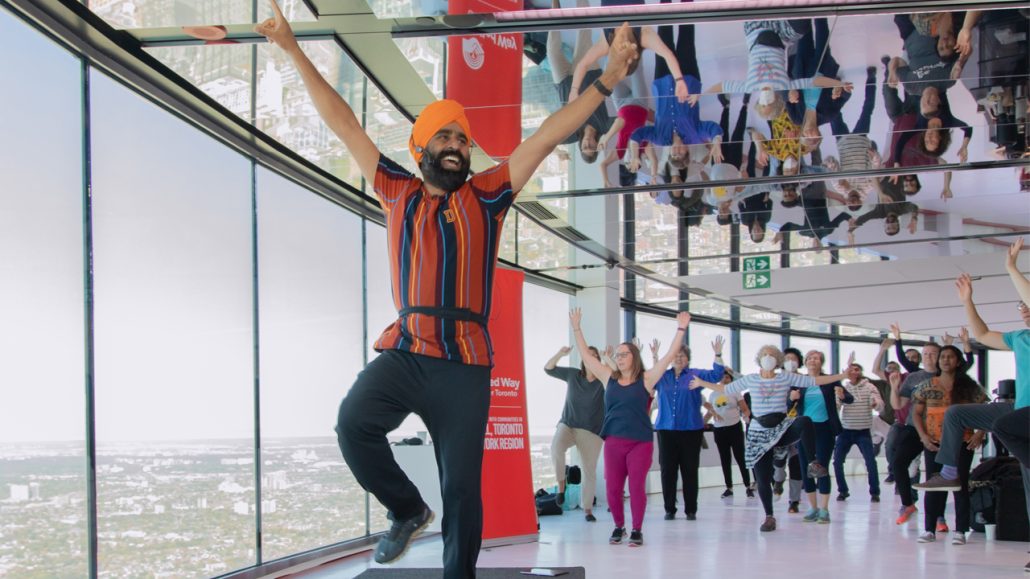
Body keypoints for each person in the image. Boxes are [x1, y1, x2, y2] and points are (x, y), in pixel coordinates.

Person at [255, 4, 640, 576]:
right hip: (407, 349)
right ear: (421, 148)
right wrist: (289, 47)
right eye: (445, 134)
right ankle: (407, 510)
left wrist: (607, 80)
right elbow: (343, 124)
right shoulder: (395, 188)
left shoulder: (487, 193)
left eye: (463, 134)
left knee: (462, 489)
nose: (458, 141)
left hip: (464, 362)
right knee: (353, 424)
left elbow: (548, 133)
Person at [690, 345, 852, 532]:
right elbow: (725, 388)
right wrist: (702, 383)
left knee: (805, 421)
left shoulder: (784, 377)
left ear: (777, 361)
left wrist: (841, 376)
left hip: (781, 428)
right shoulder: (751, 379)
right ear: (760, 359)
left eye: (772, 356)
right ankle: (769, 516)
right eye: (765, 355)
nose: (768, 358)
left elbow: (815, 380)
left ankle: (812, 463)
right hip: (759, 431)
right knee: (763, 476)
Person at [916, 241, 1029, 504]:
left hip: (1025, 415)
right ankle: (950, 472)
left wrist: (1011, 268)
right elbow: (983, 334)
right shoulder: (1020, 337)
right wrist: (968, 301)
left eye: (1026, 305)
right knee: (956, 414)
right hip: (1019, 410)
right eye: (1021, 308)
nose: (1024, 310)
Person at [570, 309, 691, 547]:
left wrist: (681, 329)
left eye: (624, 354)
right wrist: (576, 328)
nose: (620, 357)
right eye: (618, 354)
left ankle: (636, 529)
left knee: (636, 487)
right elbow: (587, 357)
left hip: (640, 442)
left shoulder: (646, 379)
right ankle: (619, 526)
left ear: (634, 357)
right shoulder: (609, 377)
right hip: (614, 441)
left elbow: (668, 357)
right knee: (613, 489)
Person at [909, 345, 988, 544]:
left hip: (961, 442)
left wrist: (980, 433)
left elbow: (986, 411)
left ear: (958, 361)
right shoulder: (927, 385)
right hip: (934, 443)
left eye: (950, 357)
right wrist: (923, 436)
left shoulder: (970, 387)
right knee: (933, 484)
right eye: (942, 357)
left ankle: (960, 530)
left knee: (959, 485)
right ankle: (929, 529)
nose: (945, 360)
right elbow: (916, 414)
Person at [651, 336, 726, 520]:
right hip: (666, 430)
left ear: (688, 359)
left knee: (690, 469)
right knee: (668, 469)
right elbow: (650, 378)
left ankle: (691, 509)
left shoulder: (695, 374)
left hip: (691, 430)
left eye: (683, 355)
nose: (679, 358)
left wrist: (717, 354)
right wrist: (655, 357)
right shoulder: (663, 377)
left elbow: (717, 375)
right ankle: (669, 508)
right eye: (675, 355)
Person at [543, 345, 605, 522]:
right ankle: (561, 489)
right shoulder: (573, 374)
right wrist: (560, 354)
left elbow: (619, 377)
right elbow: (548, 368)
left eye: (595, 356)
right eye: (588, 355)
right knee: (556, 448)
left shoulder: (603, 380)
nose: (591, 359)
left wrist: (609, 360)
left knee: (589, 471)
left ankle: (587, 509)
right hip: (568, 424)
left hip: (591, 431)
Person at [794, 349, 851, 523]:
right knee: (806, 468)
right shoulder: (799, 381)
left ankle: (824, 509)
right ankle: (813, 508)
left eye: (816, 358)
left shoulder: (829, 380)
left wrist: (842, 395)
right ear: (805, 361)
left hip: (824, 428)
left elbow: (848, 398)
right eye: (810, 358)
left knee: (821, 467)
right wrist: (792, 397)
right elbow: (790, 404)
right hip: (803, 430)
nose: (812, 360)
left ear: (821, 362)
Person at [833, 363, 884, 504]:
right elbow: (836, 406)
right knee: (837, 461)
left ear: (861, 372)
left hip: (863, 432)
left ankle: (875, 492)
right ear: (847, 372)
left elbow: (880, 403)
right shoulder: (843, 388)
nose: (854, 372)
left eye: (857, 369)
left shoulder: (870, 387)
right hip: (845, 431)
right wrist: (838, 399)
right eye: (851, 369)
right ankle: (842, 491)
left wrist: (876, 404)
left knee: (870, 462)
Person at [703, 369, 754, 499]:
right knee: (725, 459)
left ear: (731, 379)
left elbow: (745, 408)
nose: (724, 380)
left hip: (735, 428)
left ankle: (748, 486)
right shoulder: (713, 394)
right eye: (722, 377)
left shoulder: (735, 392)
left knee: (740, 458)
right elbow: (710, 411)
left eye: (727, 378)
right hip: (719, 430)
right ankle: (728, 488)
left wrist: (746, 416)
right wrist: (702, 422)